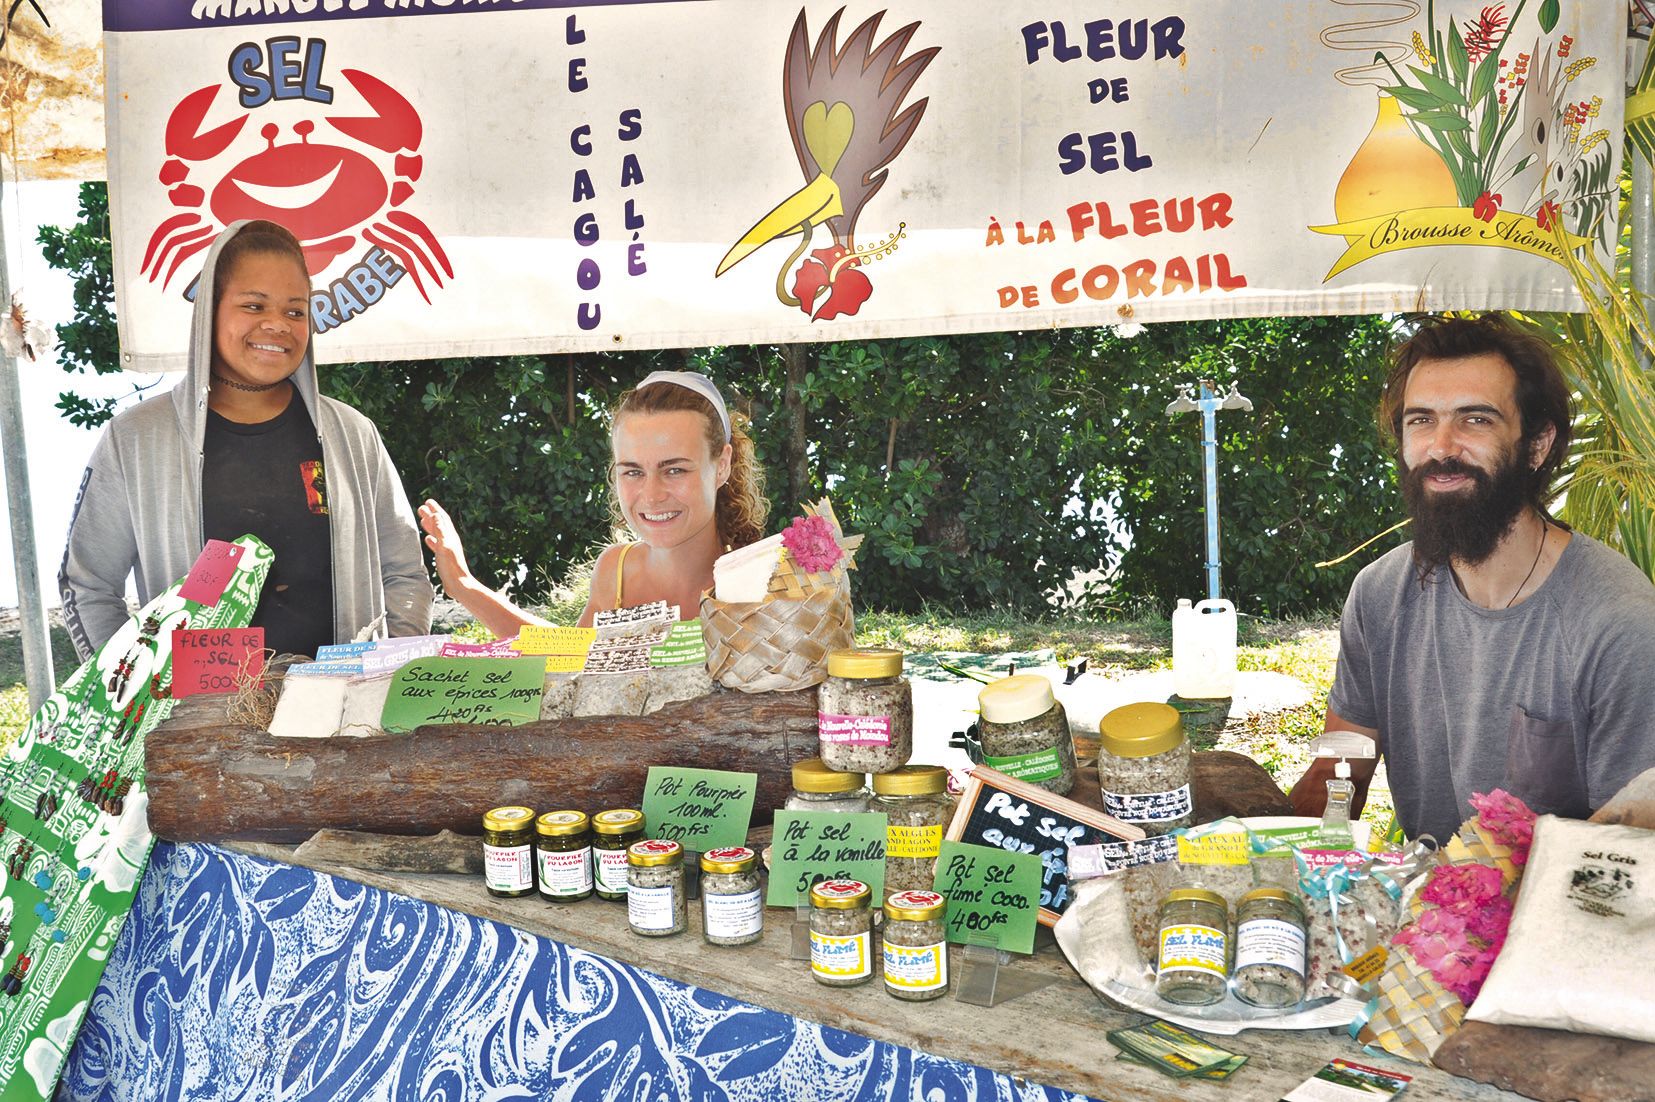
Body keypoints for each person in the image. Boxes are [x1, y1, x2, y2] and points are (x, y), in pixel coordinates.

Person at [1289, 314, 1655, 842]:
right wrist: (1278, 857)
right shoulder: (1380, 595)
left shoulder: (1619, 625)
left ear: (1537, 445)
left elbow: (1632, 853)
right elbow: (1342, 765)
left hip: (1556, 911)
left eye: (1475, 420)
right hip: (1423, 910)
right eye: (1421, 421)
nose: (1441, 447)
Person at [59, 219, 433, 660]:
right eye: (254, 306)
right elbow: (87, 584)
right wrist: (131, 689)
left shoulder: (352, 435)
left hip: (340, 717)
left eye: (296, 311)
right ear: (209, 310)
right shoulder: (138, 439)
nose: (277, 325)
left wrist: (381, 670)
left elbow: (405, 575)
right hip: (197, 721)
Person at [419, 371, 768, 632]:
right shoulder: (615, 571)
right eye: (632, 472)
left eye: (674, 470)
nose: (652, 494)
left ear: (722, 465)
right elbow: (566, 657)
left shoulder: (766, 581)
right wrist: (464, 586)